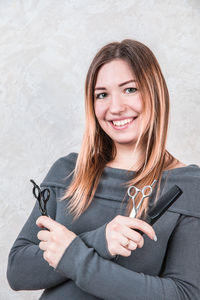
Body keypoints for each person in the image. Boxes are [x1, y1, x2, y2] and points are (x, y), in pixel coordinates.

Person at [7, 39, 200, 300]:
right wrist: (100, 240)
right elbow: (18, 271)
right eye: (102, 94)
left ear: (155, 93)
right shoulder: (67, 172)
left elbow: (184, 295)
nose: (116, 107)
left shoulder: (187, 185)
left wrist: (75, 256)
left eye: (130, 89)